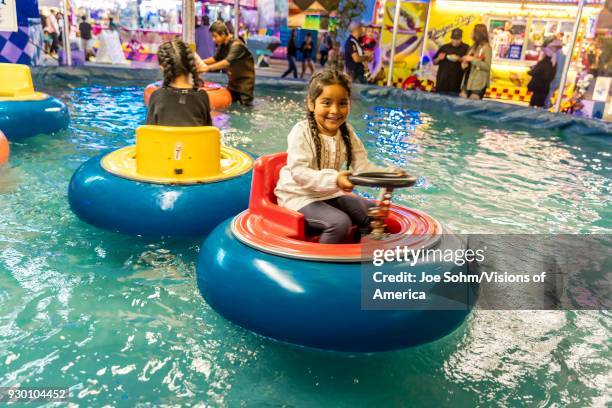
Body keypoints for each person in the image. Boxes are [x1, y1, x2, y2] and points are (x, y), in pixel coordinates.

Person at [274, 70, 405, 244]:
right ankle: (321, 267)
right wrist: (336, 180)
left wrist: (388, 174)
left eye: (342, 103)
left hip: (329, 194)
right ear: (311, 104)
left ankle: (365, 252)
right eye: (326, 103)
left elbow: (363, 166)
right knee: (339, 223)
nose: (335, 111)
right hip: (298, 196)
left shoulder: (346, 132)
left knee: (373, 212)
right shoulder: (301, 132)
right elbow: (300, 173)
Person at [146, 40, 212, 127]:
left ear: (162, 68)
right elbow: (208, 131)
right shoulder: (202, 96)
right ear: (190, 65)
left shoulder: (156, 96)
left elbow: (149, 132)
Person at [197, 21, 255, 106]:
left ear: (223, 33)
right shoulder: (223, 44)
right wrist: (199, 62)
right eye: (212, 37)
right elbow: (215, 59)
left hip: (244, 87)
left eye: (215, 36)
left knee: (244, 107)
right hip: (233, 84)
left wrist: (207, 68)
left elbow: (227, 62)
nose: (213, 40)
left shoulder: (237, 45)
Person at [460, 24, 492, 100]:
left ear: (478, 34)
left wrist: (471, 59)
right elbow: (469, 64)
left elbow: (487, 66)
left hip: (478, 84)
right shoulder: (472, 47)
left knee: (472, 106)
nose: (471, 34)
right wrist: (464, 64)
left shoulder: (486, 48)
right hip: (467, 81)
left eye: (472, 32)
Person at [432, 28, 469, 95]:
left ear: (461, 38)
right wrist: (438, 58)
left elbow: (469, 63)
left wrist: (459, 59)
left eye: (457, 39)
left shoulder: (466, 48)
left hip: (456, 84)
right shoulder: (444, 47)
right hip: (441, 83)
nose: (454, 41)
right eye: (453, 39)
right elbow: (434, 62)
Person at [528, 39, 562, 108]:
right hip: (546, 85)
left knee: (535, 101)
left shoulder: (546, 61)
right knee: (541, 102)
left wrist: (531, 71)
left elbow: (537, 71)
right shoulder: (555, 60)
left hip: (540, 84)